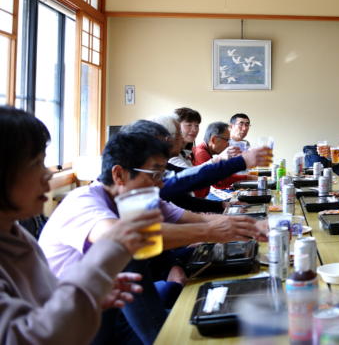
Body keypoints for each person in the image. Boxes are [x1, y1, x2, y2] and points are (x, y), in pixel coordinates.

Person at [39, 131, 264, 344]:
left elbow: (196, 220)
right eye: (155, 175)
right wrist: (209, 232)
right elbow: (124, 240)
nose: (161, 184)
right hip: (73, 328)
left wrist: (251, 226)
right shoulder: (82, 202)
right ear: (119, 174)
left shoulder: (137, 199)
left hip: (113, 311)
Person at [0, 107, 163, 345]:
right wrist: (105, 257)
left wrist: (90, 295)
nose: (47, 174)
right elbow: (29, 339)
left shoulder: (16, 235)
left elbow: (43, 305)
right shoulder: (84, 200)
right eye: (36, 163)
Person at [130, 117, 269, 213]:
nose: (182, 139)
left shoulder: (164, 166)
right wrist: (242, 161)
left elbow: (184, 200)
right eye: (179, 135)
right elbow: (190, 179)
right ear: (164, 140)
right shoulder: (146, 174)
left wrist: (222, 205)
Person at [192, 122, 247, 197]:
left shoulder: (205, 151)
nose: (228, 144)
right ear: (214, 140)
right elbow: (219, 182)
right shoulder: (201, 153)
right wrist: (249, 177)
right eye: (227, 140)